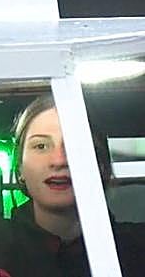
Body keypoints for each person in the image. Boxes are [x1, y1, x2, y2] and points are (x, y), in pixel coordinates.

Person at [8, 93, 144, 277]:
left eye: (75, 144)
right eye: (41, 146)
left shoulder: (137, 252)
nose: (59, 161)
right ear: (19, 166)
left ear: (101, 164)